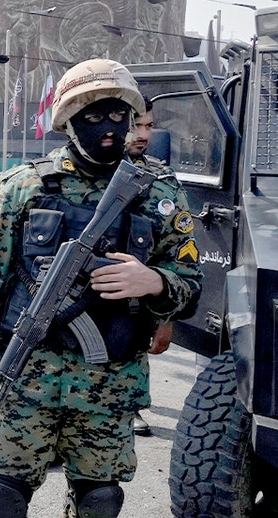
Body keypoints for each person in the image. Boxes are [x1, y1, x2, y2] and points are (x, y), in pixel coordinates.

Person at [0, 59, 202, 518]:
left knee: (99, 499)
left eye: (120, 113)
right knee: (2, 497)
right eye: (96, 115)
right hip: (30, 378)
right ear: (69, 120)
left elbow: (191, 284)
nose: (111, 127)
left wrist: (152, 280)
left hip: (109, 381)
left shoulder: (159, 193)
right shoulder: (24, 188)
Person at [126, 97, 174, 436]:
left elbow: (172, 257)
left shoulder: (159, 179)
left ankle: (131, 405)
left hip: (136, 299)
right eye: (135, 125)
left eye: (149, 126)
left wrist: (166, 318)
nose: (143, 134)